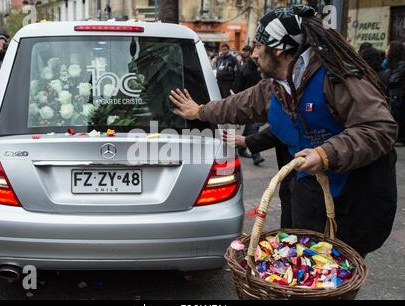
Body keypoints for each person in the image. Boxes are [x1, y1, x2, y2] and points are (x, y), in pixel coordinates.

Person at [170, 5, 398, 257]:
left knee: (336, 270)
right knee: (302, 263)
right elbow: (236, 106)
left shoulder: (336, 78)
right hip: (308, 196)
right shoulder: (274, 87)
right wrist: (199, 111)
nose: (253, 54)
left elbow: (379, 127)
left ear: (279, 49)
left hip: (352, 200)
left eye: (258, 45)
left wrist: (325, 153)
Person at [232, 45, 265, 165]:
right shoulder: (245, 68)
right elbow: (238, 85)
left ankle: (241, 148)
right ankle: (256, 155)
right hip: (249, 104)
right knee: (253, 128)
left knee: (250, 127)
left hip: (259, 103)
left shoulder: (261, 68)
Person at [380, 41, 405, 146]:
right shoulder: (388, 63)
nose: (386, 50)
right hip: (394, 96)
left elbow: (392, 81)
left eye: (388, 48)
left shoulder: (401, 65)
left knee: (399, 117)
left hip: (399, 97)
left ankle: (401, 138)